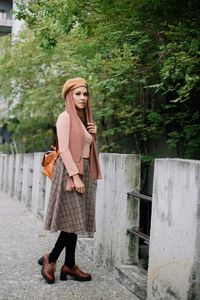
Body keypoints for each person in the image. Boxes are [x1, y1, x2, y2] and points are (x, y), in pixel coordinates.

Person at [38, 77, 101, 284]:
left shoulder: (83, 121)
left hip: (81, 170)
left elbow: (86, 149)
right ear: (68, 96)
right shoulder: (65, 117)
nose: (83, 98)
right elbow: (64, 149)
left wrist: (93, 135)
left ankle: (69, 264)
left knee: (74, 222)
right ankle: (53, 259)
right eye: (78, 94)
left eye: (85, 94)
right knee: (72, 221)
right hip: (69, 172)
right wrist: (75, 176)